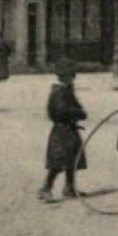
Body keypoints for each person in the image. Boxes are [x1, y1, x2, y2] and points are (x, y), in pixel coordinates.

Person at [39, 61, 86, 202]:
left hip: (69, 129)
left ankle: (69, 187)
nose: (74, 78)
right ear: (64, 77)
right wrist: (78, 113)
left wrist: (80, 112)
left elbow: (76, 107)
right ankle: (46, 188)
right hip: (62, 130)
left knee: (72, 159)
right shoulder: (59, 92)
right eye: (72, 76)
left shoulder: (67, 90)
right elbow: (61, 111)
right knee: (58, 161)